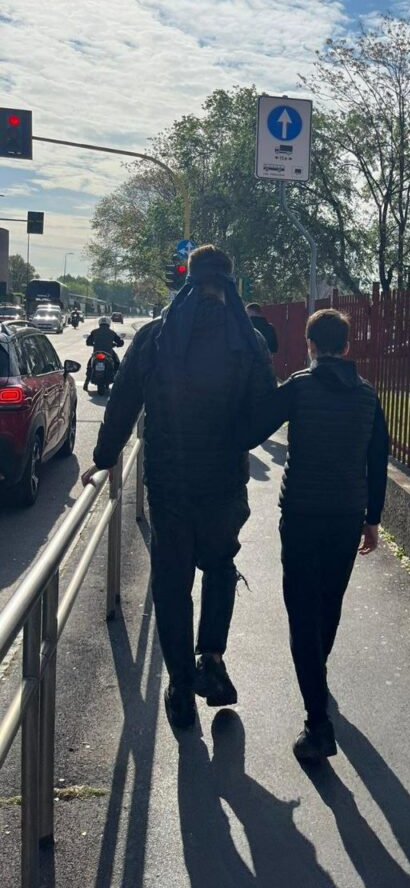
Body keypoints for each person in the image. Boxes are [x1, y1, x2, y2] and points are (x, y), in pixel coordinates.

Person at [82, 245, 276, 729]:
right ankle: (211, 658)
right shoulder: (248, 340)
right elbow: (264, 416)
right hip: (224, 484)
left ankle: (179, 687)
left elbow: (123, 403)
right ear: (230, 281)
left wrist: (104, 460)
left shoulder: (155, 336)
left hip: (169, 484)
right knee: (219, 566)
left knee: (171, 584)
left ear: (189, 278)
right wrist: (232, 441)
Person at [247, 309, 389, 762]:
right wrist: (373, 518)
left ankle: (317, 721)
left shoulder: (299, 386)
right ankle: (318, 678)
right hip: (347, 513)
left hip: (304, 511)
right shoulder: (368, 395)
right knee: (329, 603)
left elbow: (253, 429)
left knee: (301, 610)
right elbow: (378, 458)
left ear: (310, 344)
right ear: (347, 346)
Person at [84, 316, 124, 390]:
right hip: (109, 353)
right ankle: (118, 383)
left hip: (96, 353)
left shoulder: (94, 331)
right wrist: (117, 344)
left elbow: (88, 342)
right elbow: (120, 342)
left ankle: (86, 382)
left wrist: (93, 344)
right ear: (109, 323)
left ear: (99, 323)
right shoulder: (112, 332)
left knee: (89, 365)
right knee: (117, 363)